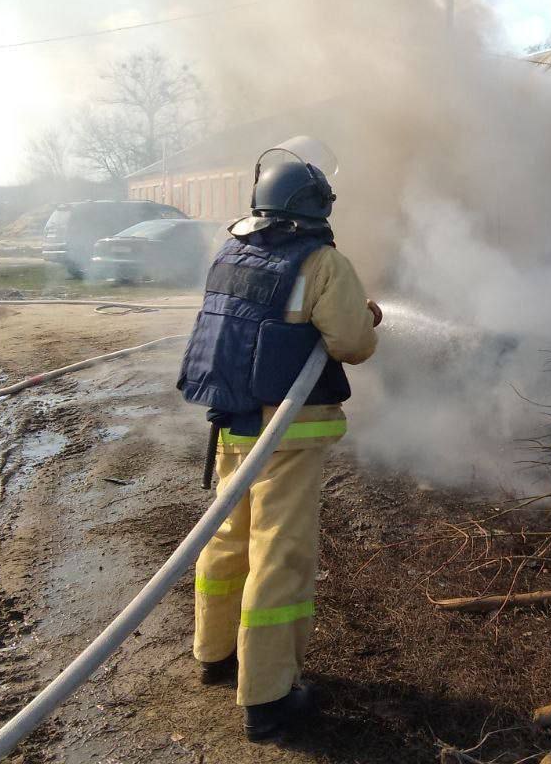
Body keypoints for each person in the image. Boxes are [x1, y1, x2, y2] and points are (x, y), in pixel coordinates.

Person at [176, 147, 379, 742]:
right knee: (280, 554)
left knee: (227, 537)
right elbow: (353, 343)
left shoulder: (230, 250)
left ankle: (214, 656)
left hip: (233, 422)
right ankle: (268, 696)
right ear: (317, 207)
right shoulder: (322, 262)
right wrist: (366, 318)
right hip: (288, 433)